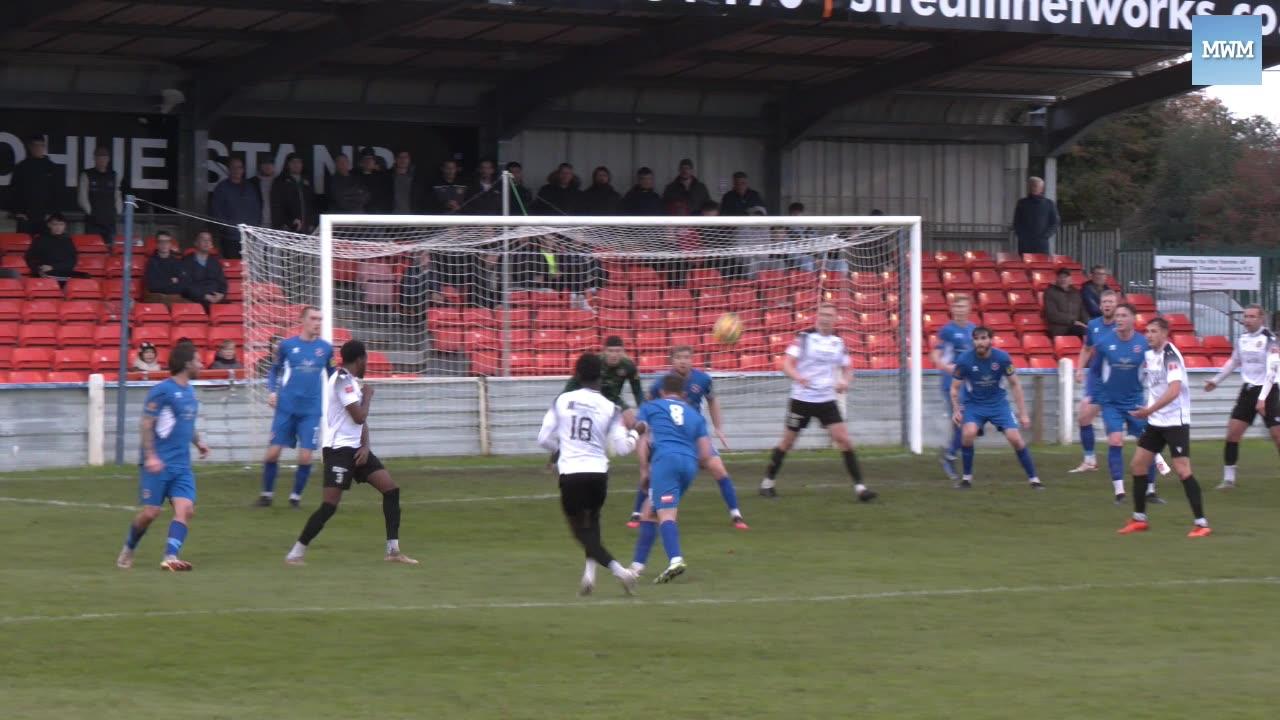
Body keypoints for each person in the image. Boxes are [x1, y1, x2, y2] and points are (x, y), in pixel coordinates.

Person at [286, 340, 419, 565]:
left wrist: (365, 446)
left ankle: (393, 551)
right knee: (329, 505)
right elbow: (359, 416)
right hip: (338, 451)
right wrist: (368, 397)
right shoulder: (342, 381)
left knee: (391, 490)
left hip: (357, 450)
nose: (367, 363)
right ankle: (296, 553)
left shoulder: (352, 383)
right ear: (360, 359)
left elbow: (360, 424)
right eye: (366, 359)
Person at [537, 353, 644, 596]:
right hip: (598, 474)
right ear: (601, 377)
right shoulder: (610, 407)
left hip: (572, 474)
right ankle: (589, 576)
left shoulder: (563, 400)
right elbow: (621, 448)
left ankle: (621, 572)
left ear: (576, 375)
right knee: (593, 521)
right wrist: (636, 433)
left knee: (580, 531)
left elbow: (542, 438)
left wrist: (560, 449)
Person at [760, 303, 879, 502]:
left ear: (835, 319)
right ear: (817, 316)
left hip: (826, 399)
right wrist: (798, 377)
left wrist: (844, 382)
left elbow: (849, 370)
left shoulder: (838, 342)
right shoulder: (805, 338)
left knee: (844, 440)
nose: (825, 318)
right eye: (822, 314)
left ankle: (860, 488)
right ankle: (767, 483)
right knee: (788, 442)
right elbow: (786, 365)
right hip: (802, 398)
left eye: (829, 315)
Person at [116, 342, 209, 571]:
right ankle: (128, 548)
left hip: (181, 465)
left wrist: (199, 443)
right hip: (158, 464)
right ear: (187, 364)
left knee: (186, 509)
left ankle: (171, 556)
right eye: (198, 360)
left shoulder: (190, 391)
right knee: (150, 513)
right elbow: (147, 423)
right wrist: (151, 456)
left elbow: (187, 423)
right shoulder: (162, 391)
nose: (201, 364)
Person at [1118, 318, 1211, 537]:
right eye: (1147, 331)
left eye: (1154, 331)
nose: (1148, 335)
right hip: (1156, 421)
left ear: (1165, 333)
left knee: (1182, 470)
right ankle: (1139, 519)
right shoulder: (1150, 356)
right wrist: (1149, 410)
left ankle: (1202, 523)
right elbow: (1155, 387)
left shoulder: (1171, 356)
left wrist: (1148, 411)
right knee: (1138, 465)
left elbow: (1174, 390)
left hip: (1175, 422)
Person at [639, 346, 747, 530]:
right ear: (672, 361)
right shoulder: (663, 383)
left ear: (693, 359)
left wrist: (719, 428)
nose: (683, 361)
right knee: (654, 473)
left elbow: (712, 400)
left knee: (718, 468)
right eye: (679, 357)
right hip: (670, 438)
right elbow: (647, 403)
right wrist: (648, 434)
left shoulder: (703, 379)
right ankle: (639, 513)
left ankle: (736, 514)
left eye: (687, 357)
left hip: (694, 436)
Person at [629, 373, 714, 584]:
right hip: (689, 464)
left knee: (665, 514)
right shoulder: (695, 415)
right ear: (684, 394)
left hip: (665, 461)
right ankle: (636, 567)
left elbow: (643, 437)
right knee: (649, 512)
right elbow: (705, 454)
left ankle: (675, 559)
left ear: (661, 391)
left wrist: (644, 469)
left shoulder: (651, 407)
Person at [949, 327, 1043, 490]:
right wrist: (956, 410)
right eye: (976, 338)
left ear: (991, 340)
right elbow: (954, 388)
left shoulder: (1002, 358)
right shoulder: (964, 360)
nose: (980, 342)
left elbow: (1015, 384)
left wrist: (1023, 414)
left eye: (984, 338)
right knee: (968, 434)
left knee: (1015, 438)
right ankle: (966, 479)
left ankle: (1034, 479)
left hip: (998, 405)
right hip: (975, 405)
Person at [258, 306, 333, 508]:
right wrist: (272, 391)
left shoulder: (326, 348)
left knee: (306, 456)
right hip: (286, 408)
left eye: (320, 319)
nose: (317, 322)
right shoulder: (287, 346)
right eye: (313, 318)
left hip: (310, 411)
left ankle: (295, 498)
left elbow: (332, 374)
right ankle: (266, 495)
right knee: (273, 453)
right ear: (302, 320)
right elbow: (274, 371)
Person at [1089, 304, 1163, 504]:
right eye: (1117, 316)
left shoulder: (1144, 343)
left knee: (1147, 445)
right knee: (1115, 441)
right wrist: (1093, 395)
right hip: (1111, 403)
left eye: (1124, 315)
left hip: (1135, 402)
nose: (1119, 319)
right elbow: (1095, 370)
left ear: (1133, 319)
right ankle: (1119, 492)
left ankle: (1150, 490)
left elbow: (1155, 369)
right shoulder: (1104, 343)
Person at [1203, 305, 1280, 489]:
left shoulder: (1270, 340)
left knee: (1277, 436)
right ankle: (1229, 479)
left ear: (1262, 319)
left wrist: (1262, 398)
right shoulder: (1242, 339)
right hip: (1248, 391)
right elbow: (1233, 362)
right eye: (1245, 316)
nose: (1247, 320)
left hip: (1268, 391)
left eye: (1252, 316)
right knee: (1232, 434)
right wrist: (1216, 380)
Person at [548, 336, 644, 471]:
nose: (614, 355)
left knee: (635, 423)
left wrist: (645, 412)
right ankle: (556, 456)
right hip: (592, 398)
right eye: (611, 351)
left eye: (618, 351)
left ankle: (645, 462)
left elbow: (638, 391)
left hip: (613, 399)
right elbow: (574, 382)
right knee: (572, 426)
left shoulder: (628, 366)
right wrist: (560, 400)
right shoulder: (595, 363)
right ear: (604, 351)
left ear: (623, 352)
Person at [1069, 289, 1117, 473]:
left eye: (1111, 302)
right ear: (1100, 305)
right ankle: (1089, 460)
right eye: (1105, 302)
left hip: (1117, 382)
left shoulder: (1122, 326)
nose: (1107, 305)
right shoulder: (1093, 325)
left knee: (1131, 426)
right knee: (1083, 417)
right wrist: (1080, 369)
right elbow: (1087, 348)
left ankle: (1155, 459)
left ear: (1116, 304)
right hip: (1096, 380)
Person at [930, 294, 976, 482]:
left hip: (971, 384)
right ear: (952, 309)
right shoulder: (947, 331)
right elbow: (935, 355)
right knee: (963, 421)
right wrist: (947, 367)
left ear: (969, 308)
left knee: (971, 424)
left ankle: (949, 454)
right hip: (952, 384)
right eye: (957, 307)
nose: (960, 310)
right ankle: (949, 456)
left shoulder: (974, 330)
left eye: (963, 306)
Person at [8, 135, 60, 237]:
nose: (38, 148)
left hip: (46, 217)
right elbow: (13, 191)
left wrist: (51, 213)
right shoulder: (21, 167)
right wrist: (18, 212)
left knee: (45, 247)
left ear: (45, 147)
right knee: (24, 247)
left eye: (41, 146)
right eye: (35, 146)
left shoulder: (51, 167)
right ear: (30, 147)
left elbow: (57, 192)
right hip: (25, 217)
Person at [210, 156, 261, 258]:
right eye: (233, 167)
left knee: (248, 270)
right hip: (230, 239)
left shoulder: (250, 187)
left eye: (239, 167)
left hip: (248, 238)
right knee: (233, 268)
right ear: (229, 169)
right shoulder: (222, 188)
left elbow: (257, 210)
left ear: (243, 170)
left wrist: (252, 229)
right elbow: (216, 210)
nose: (236, 170)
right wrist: (227, 228)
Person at [78, 145, 121, 251]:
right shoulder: (86, 174)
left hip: (110, 221)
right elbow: (82, 198)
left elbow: (117, 194)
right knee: (93, 250)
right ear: (95, 158)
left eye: (104, 157)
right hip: (93, 221)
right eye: (99, 157)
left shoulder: (114, 175)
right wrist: (91, 212)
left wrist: (117, 211)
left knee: (111, 250)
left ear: (108, 159)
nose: (102, 160)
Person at [24, 213, 82, 283]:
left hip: (63, 274)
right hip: (45, 274)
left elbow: (71, 262)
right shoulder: (40, 240)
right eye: (55, 224)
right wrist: (38, 270)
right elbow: (29, 258)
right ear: (49, 225)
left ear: (65, 226)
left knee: (84, 277)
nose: (58, 227)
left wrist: (53, 267)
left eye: (61, 224)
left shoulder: (68, 241)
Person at [271, 153, 318, 232]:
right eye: (293, 162)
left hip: (307, 228)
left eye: (299, 162)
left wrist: (312, 222)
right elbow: (276, 206)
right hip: (288, 228)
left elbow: (313, 204)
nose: (296, 165)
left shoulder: (307, 181)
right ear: (288, 164)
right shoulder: (280, 181)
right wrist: (287, 223)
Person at [1013, 176, 1059, 255]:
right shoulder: (1022, 203)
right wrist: (1021, 236)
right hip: (1025, 244)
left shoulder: (1049, 204)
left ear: (1041, 189)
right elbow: (1016, 222)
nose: (1033, 188)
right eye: (1031, 185)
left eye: (1035, 186)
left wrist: (1045, 236)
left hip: (1041, 244)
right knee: (1025, 266)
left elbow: (1055, 222)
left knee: (1041, 265)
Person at [182, 231, 227, 310]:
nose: (207, 242)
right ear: (196, 243)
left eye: (209, 240)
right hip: (196, 300)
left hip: (216, 300)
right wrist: (204, 296)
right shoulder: (186, 261)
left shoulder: (215, 262)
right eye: (203, 239)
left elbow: (222, 283)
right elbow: (186, 285)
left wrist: (221, 295)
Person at [142, 231, 189, 306]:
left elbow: (183, 284)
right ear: (157, 244)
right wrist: (171, 281)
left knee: (194, 308)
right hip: (157, 297)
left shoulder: (177, 261)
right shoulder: (152, 262)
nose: (164, 244)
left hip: (175, 297)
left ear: (170, 244)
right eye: (161, 242)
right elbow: (153, 286)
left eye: (167, 241)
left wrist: (164, 283)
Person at [1043, 268, 1088, 337]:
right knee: (1084, 331)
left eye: (1065, 277)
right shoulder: (1050, 292)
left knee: (1095, 330)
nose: (1063, 279)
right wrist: (1073, 321)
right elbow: (1052, 314)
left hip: (1076, 326)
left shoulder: (1075, 292)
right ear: (1057, 279)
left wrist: (1087, 323)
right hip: (1060, 329)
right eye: (1060, 277)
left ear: (1070, 279)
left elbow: (1082, 310)